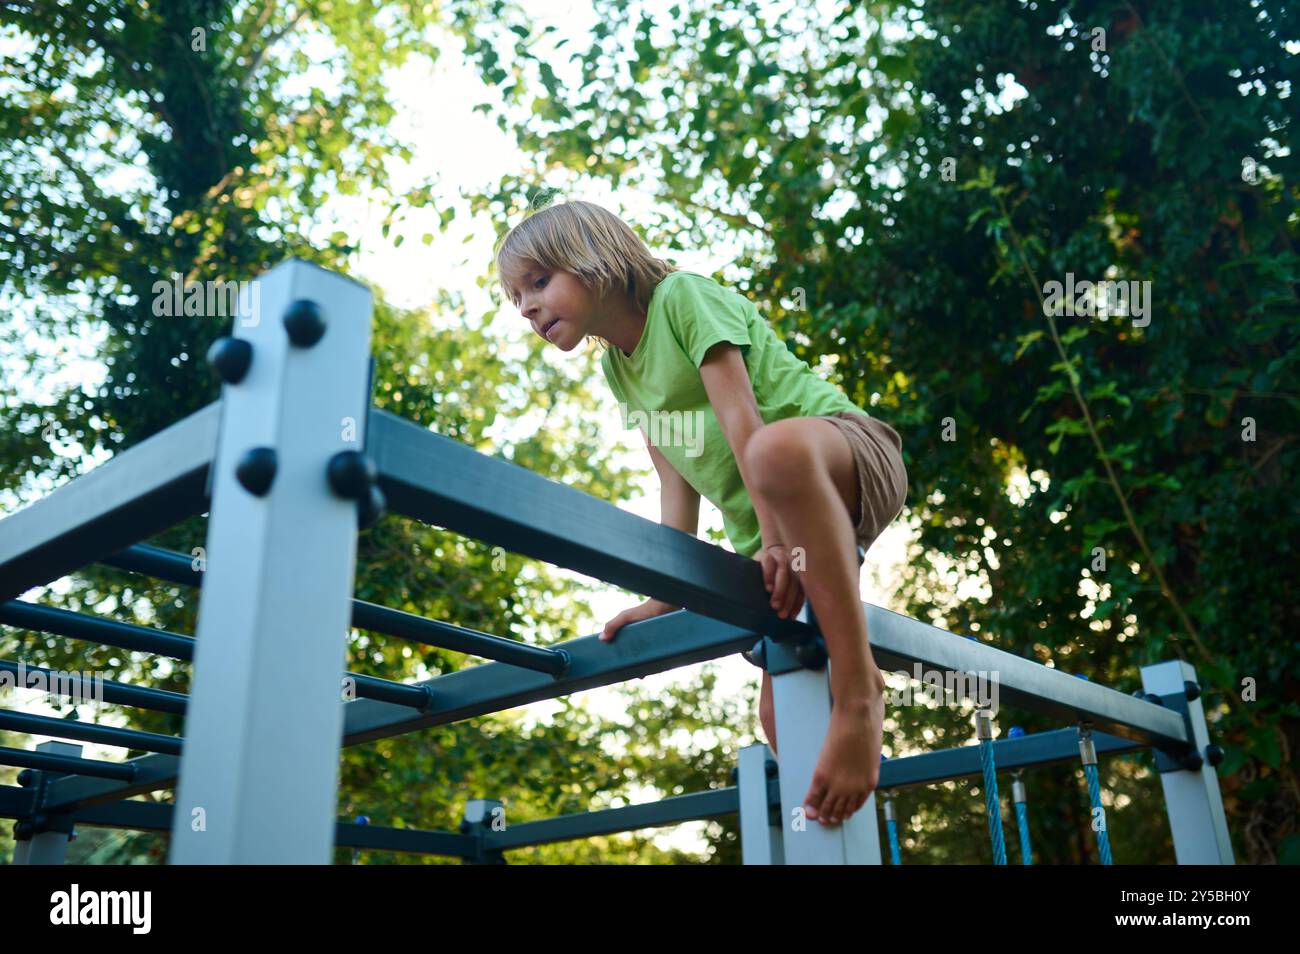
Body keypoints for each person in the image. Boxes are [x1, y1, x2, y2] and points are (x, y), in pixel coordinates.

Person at [494, 198, 907, 827]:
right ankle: (834, 821)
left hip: (842, 455)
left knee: (773, 449)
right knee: (783, 712)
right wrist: (663, 591)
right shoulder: (618, 368)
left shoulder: (683, 298)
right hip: (784, 534)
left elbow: (742, 422)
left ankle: (861, 691)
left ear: (592, 259)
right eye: (515, 297)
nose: (525, 307)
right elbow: (675, 477)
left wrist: (773, 542)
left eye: (538, 283)